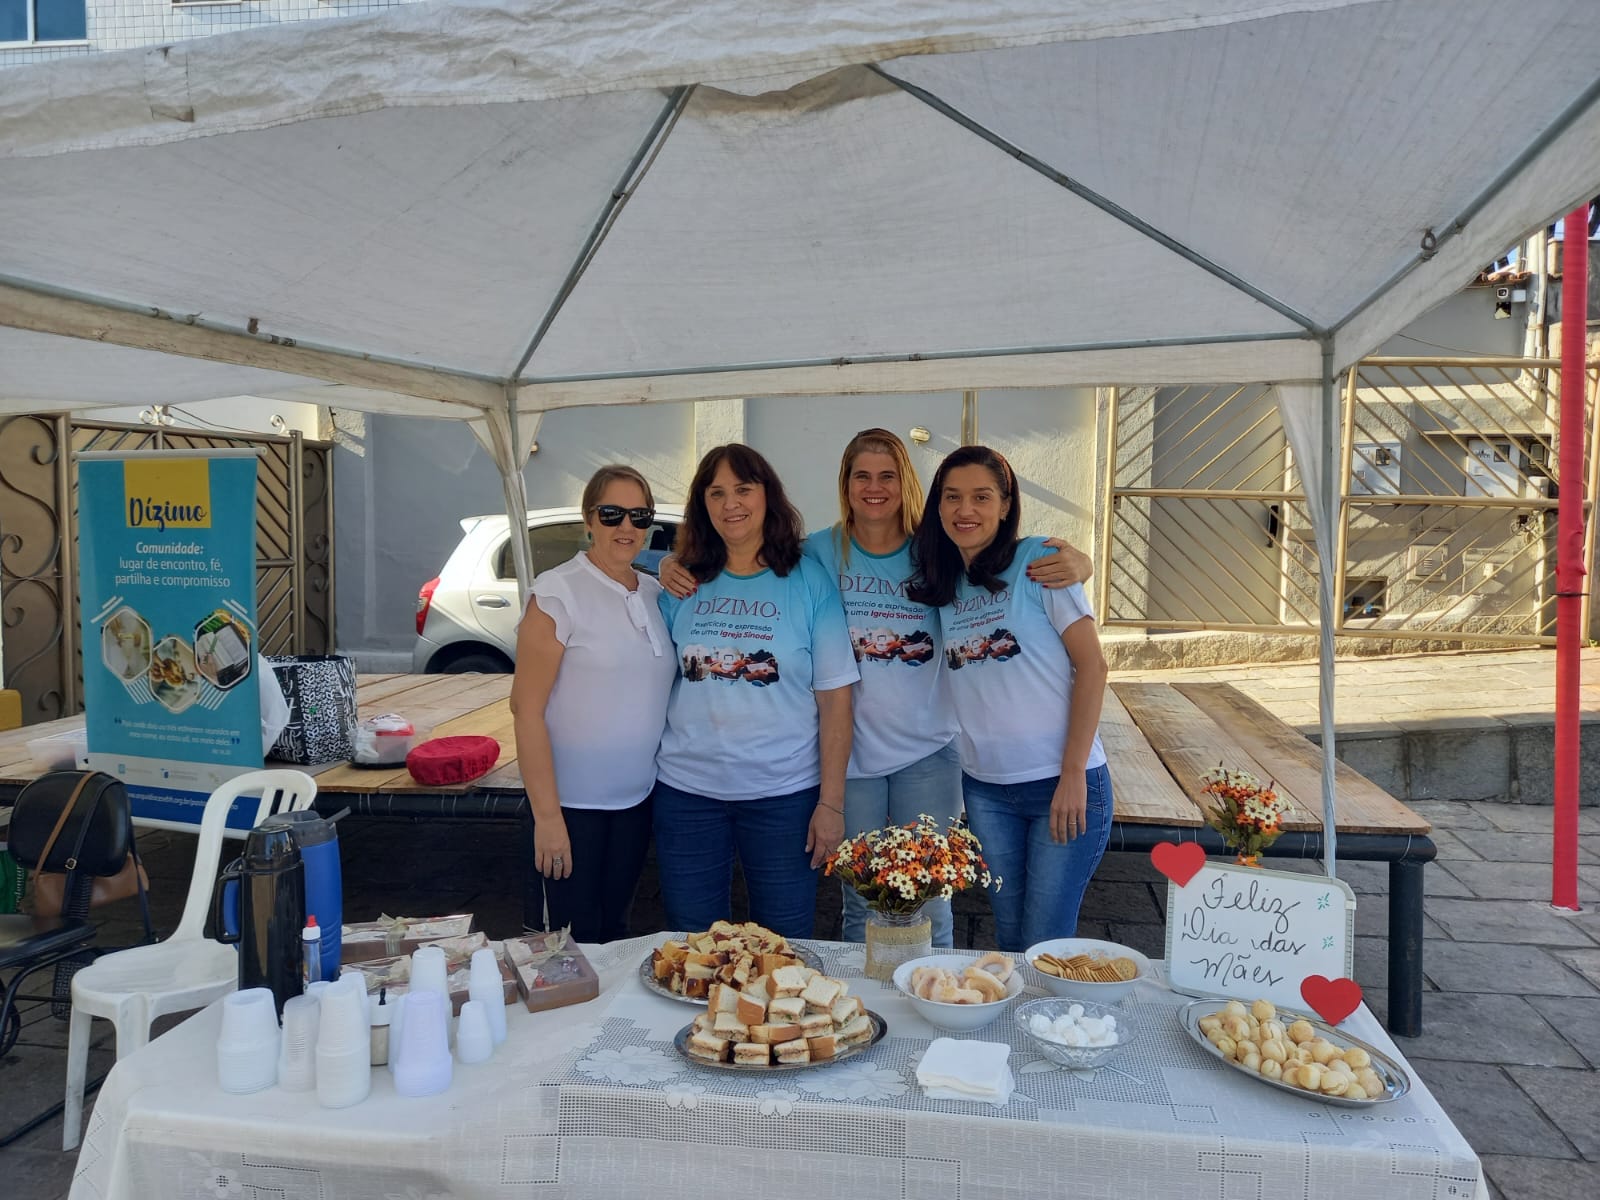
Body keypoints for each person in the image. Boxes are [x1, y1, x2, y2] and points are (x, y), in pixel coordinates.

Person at [661, 428, 1094, 947]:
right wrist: (668, 563)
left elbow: (998, 555)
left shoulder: (936, 553)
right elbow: (749, 557)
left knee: (931, 894)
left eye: (887, 475)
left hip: (929, 752)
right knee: (861, 898)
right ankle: (864, 1011)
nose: (874, 487)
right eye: (861, 476)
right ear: (844, 484)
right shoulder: (815, 554)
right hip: (854, 759)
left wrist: (1080, 560)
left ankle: (934, 1001)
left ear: (905, 483)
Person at [907, 444, 1111, 951]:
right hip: (985, 789)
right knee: (1011, 936)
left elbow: (1093, 666)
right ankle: (1012, 1032)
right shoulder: (943, 582)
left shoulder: (1040, 561)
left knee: (1044, 943)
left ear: (1005, 504)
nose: (965, 510)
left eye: (981, 496)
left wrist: (1071, 774)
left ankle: (1051, 1030)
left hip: (1060, 784)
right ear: (938, 507)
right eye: (952, 497)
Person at [653, 444, 858, 941]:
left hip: (783, 796)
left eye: (743, 489)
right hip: (687, 793)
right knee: (693, 942)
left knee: (784, 942)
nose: (731, 504)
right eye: (716, 492)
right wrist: (659, 568)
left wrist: (831, 805)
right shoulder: (683, 583)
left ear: (768, 495)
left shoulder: (809, 581)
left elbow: (836, 700)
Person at [510, 464, 676, 942]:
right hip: (570, 807)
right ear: (588, 519)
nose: (627, 527)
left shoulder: (653, 592)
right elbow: (526, 709)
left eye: (639, 516)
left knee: (615, 936)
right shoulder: (557, 593)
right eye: (612, 514)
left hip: (635, 804)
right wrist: (547, 818)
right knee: (563, 951)